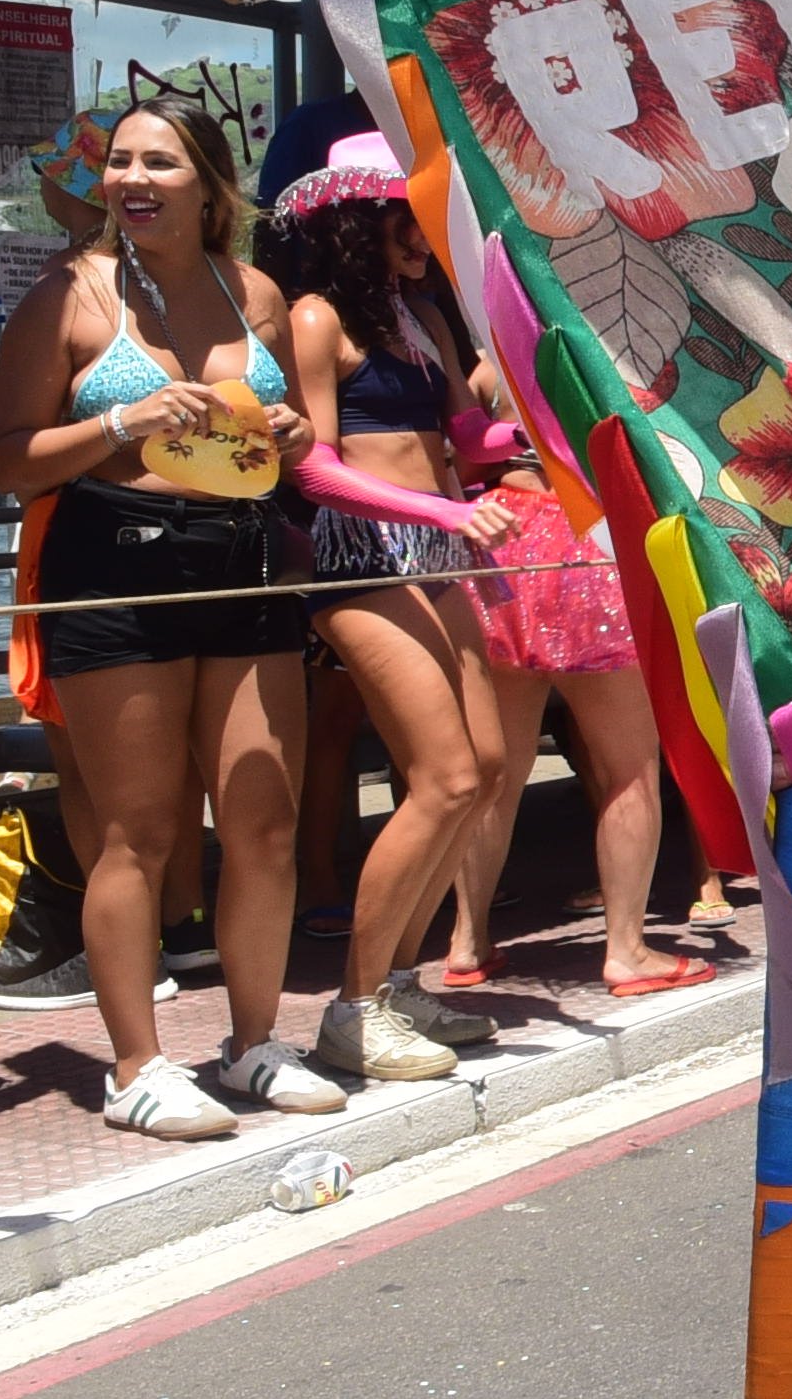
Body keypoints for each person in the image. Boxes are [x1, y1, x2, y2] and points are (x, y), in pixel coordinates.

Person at [0, 98, 332, 1135]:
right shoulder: (72, 291)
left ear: (211, 183)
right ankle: (137, 1065)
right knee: (139, 831)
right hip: (116, 564)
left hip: (245, 562)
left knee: (263, 820)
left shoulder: (259, 293)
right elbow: (9, 457)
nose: (132, 179)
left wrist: (292, 429)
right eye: (120, 162)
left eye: (159, 162)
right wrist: (118, 420)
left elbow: (306, 449)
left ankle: (254, 1044)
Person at [267, 135, 517, 1082]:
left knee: (488, 768)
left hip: (437, 554)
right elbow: (316, 467)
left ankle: (400, 984)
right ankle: (354, 1007)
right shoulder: (315, 319)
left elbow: (469, 432)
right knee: (448, 777)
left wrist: (566, 406)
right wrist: (444, 506)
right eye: (412, 219)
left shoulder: (422, 319)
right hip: (361, 563)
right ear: (361, 221)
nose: (427, 239)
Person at [441, 378, 697, 994]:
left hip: (507, 533)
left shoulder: (485, 357)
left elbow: (468, 456)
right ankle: (626, 949)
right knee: (629, 768)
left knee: (496, 772)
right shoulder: (600, 345)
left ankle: (467, 941)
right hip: (591, 537)